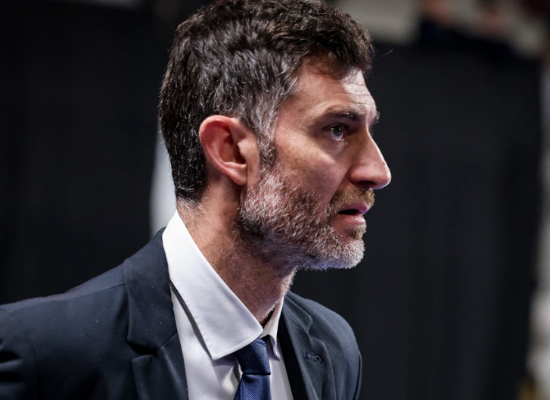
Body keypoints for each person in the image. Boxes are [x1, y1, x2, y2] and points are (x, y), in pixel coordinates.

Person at [0, 0, 391, 399]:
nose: (378, 172)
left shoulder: (334, 350)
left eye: (368, 132)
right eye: (337, 130)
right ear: (230, 150)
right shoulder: (44, 355)